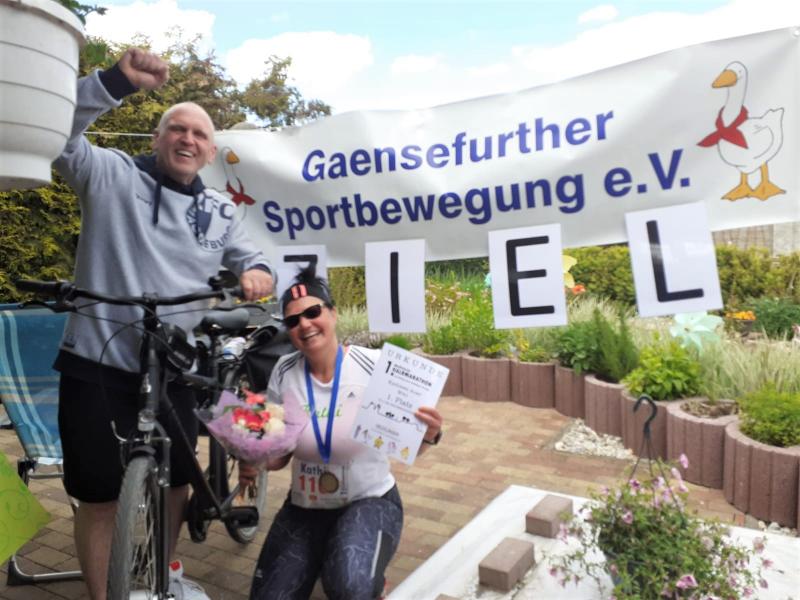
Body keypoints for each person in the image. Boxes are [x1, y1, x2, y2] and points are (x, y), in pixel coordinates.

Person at [52, 48, 274, 600]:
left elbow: (255, 259)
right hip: (97, 360)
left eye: (199, 134)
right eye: (177, 128)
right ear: (156, 138)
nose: (187, 139)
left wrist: (257, 273)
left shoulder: (221, 210)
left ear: (211, 152)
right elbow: (57, 131)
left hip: (174, 362)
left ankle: (162, 572)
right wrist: (113, 82)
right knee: (99, 497)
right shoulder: (109, 174)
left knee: (176, 481)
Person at [246, 265, 444, 600]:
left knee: (350, 586)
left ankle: (366, 575)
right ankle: (329, 553)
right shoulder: (284, 371)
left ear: (333, 313)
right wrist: (253, 451)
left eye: (313, 312)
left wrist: (429, 434)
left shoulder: (375, 365)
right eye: (293, 321)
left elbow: (408, 444)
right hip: (305, 505)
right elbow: (279, 458)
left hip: (369, 500)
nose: (304, 324)